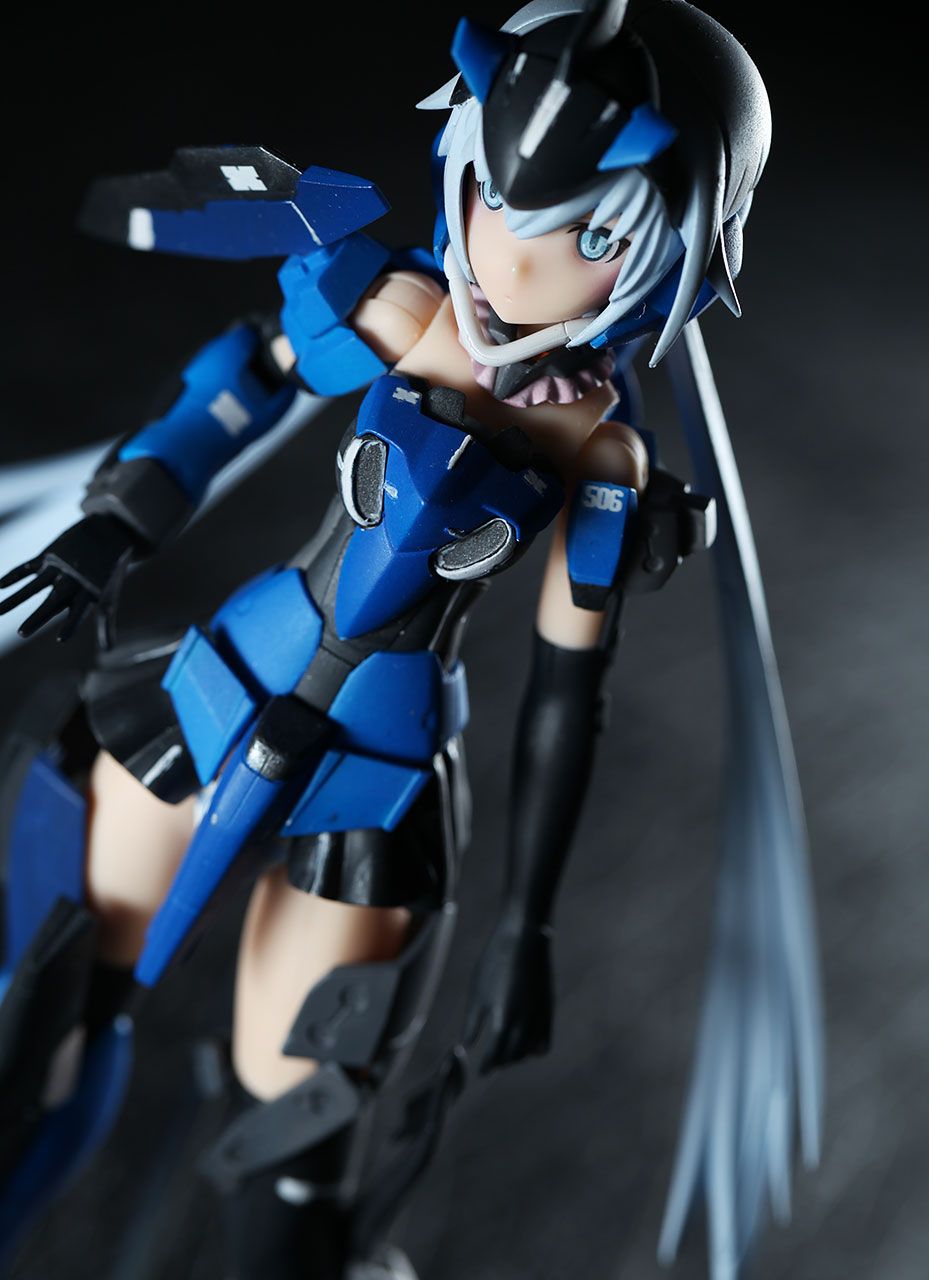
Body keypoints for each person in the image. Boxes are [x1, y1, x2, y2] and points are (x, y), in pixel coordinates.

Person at [0, 3, 822, 1278]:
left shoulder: (601, 459)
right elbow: (235, 387)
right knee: (37, 997)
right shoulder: (392, 307)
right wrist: (110, 526)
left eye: (588, 233)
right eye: (495, 196)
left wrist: (524, 924)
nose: (510, 255)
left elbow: (566, 693)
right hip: (227, 679)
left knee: (295, 1147)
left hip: (374, 782)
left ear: (664, 249)